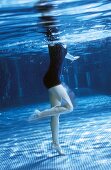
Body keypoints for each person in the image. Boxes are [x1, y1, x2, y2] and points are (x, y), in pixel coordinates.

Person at [28, 0, 76, 155]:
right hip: (53, 79)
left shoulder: (62, 43)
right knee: (69, 107)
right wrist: (45, 11)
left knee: (56, 114)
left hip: (53, 78)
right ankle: (39, 114)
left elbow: (62, 54)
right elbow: (50, 28)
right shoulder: (52, 40)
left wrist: (72, 57)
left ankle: (56, 144)